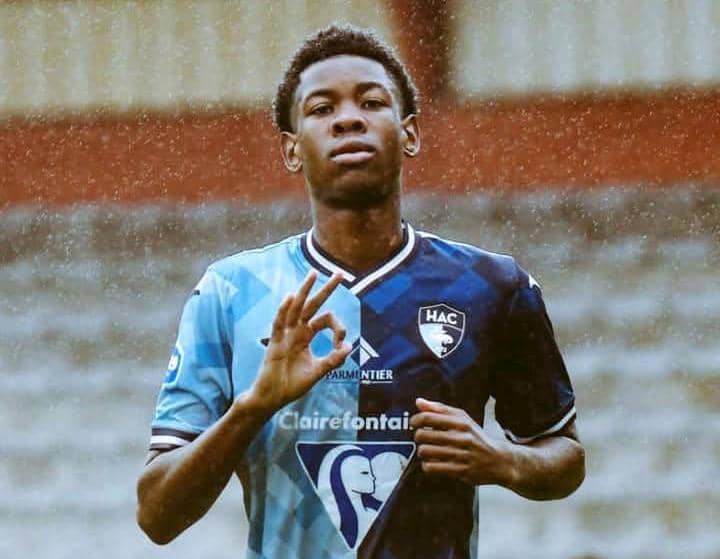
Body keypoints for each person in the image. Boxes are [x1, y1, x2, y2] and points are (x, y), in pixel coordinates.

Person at [136, 24, 585, 559]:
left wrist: (503, 461)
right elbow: (157, 514)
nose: (348, 119)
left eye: (371, 102)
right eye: (321, 109)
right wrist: (253, 406)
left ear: (409, 134)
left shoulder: (492, 286)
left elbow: (565, 456)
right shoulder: (231, 292)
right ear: (292, 149)